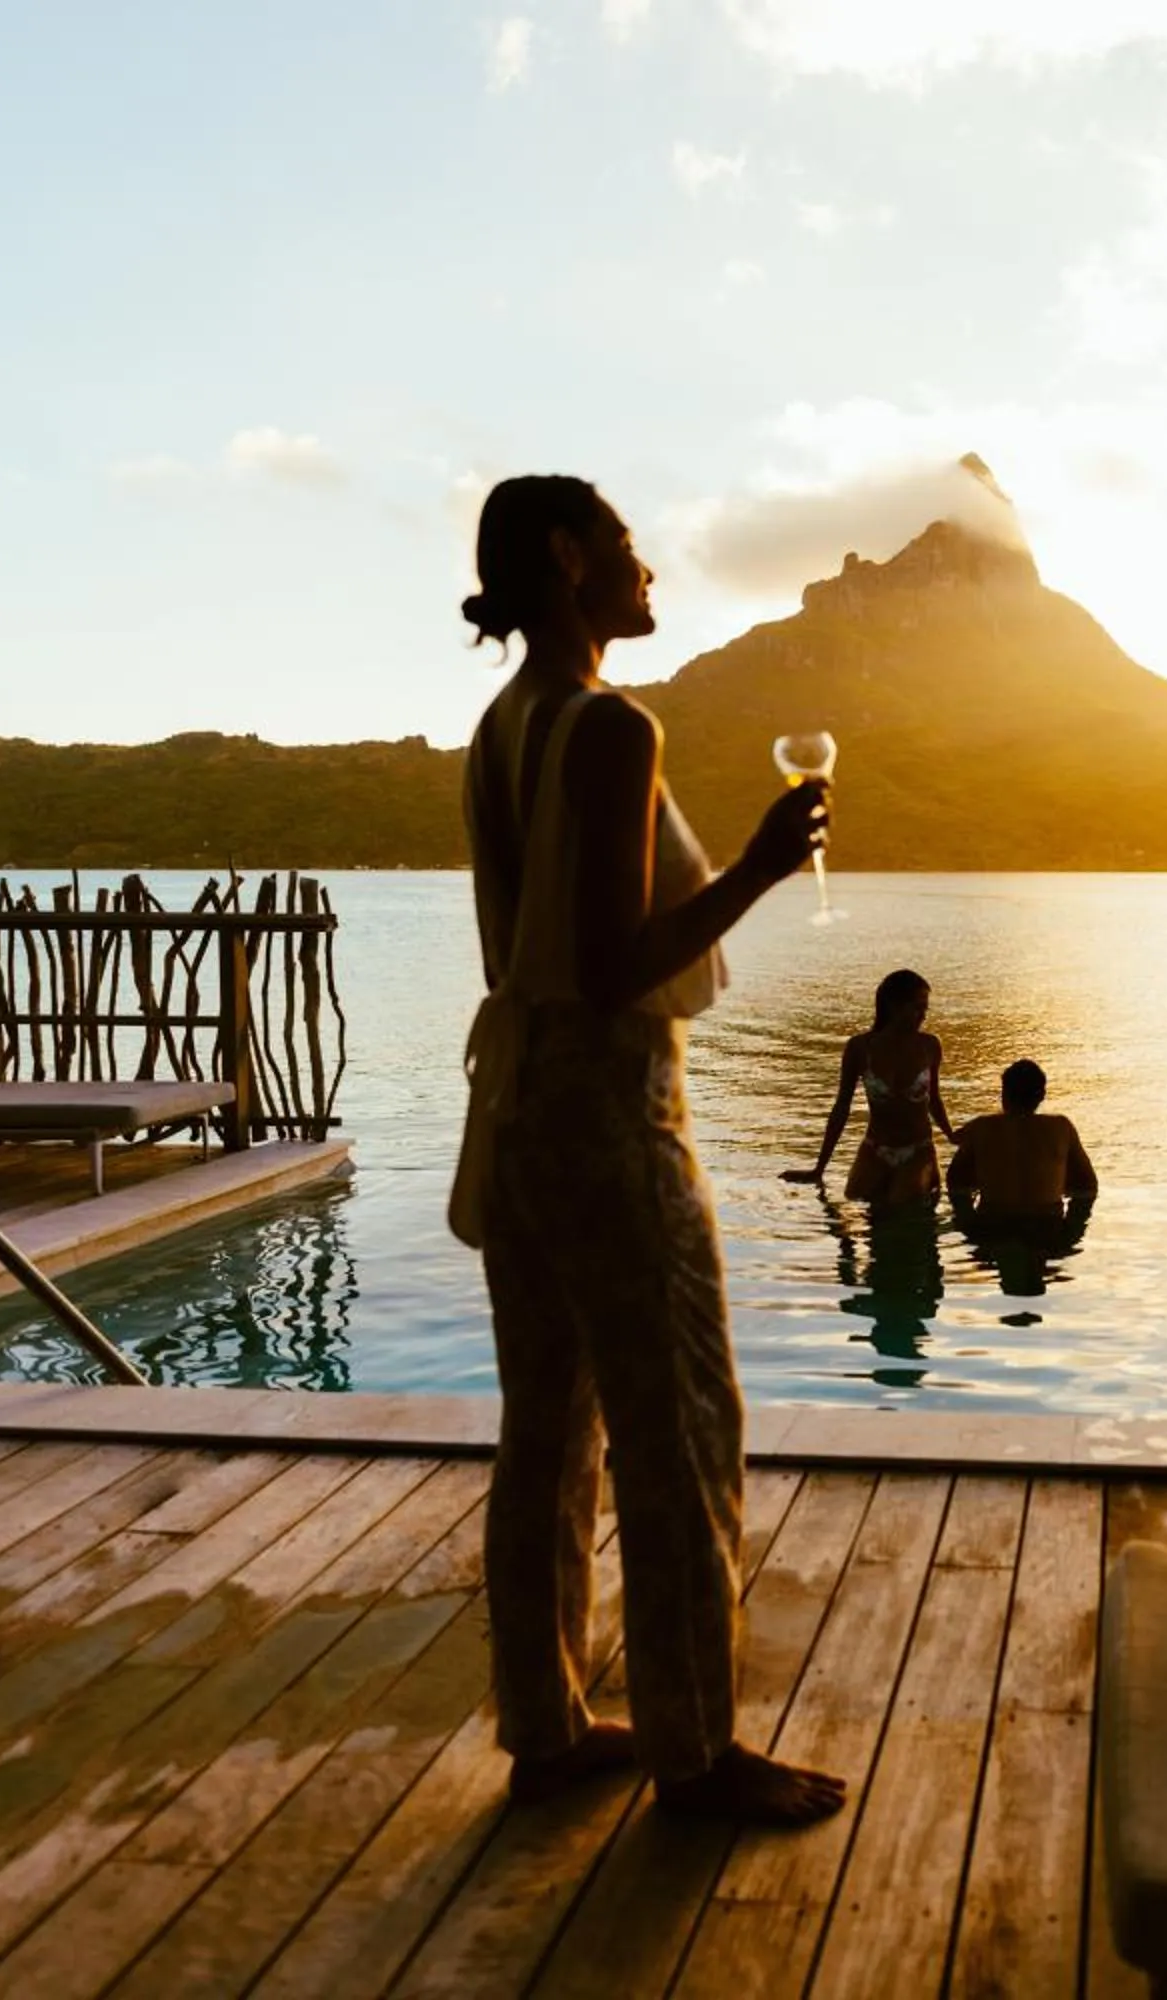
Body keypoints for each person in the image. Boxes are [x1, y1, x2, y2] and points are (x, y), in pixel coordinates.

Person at [451, 473, 845, 1825]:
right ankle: (695, 1750)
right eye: (628, 548)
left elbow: (533, 954)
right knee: (681, 1434)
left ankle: (548, 1722)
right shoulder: (613, 729)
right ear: (570, 561)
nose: (651, 570)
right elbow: (618, 967)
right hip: (612, 1117)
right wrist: (756, 871)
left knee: (545, 1436)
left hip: (514, 1119)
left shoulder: (500, 730)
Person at [782, 969, 956, 1201]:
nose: (923, 1016)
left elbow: (934, 1100)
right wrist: (819, 1168)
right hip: (875, 1148)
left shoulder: (930, 1046)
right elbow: (842, 1107)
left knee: (898, 1207)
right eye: (917, 1008)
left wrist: (951, 1135)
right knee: (853, 1198)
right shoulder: (859, 1048)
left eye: (925, 1009)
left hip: (919, 1150)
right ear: (893, 1006)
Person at [947, 1059, 1099, 1218]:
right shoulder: (1061, 1128)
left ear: (1004, 1094)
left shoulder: (981, 1127)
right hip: (1046, 1228)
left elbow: (955, 1182)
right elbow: (1087, 1186)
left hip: (993, 1226)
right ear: (1042, 1095)